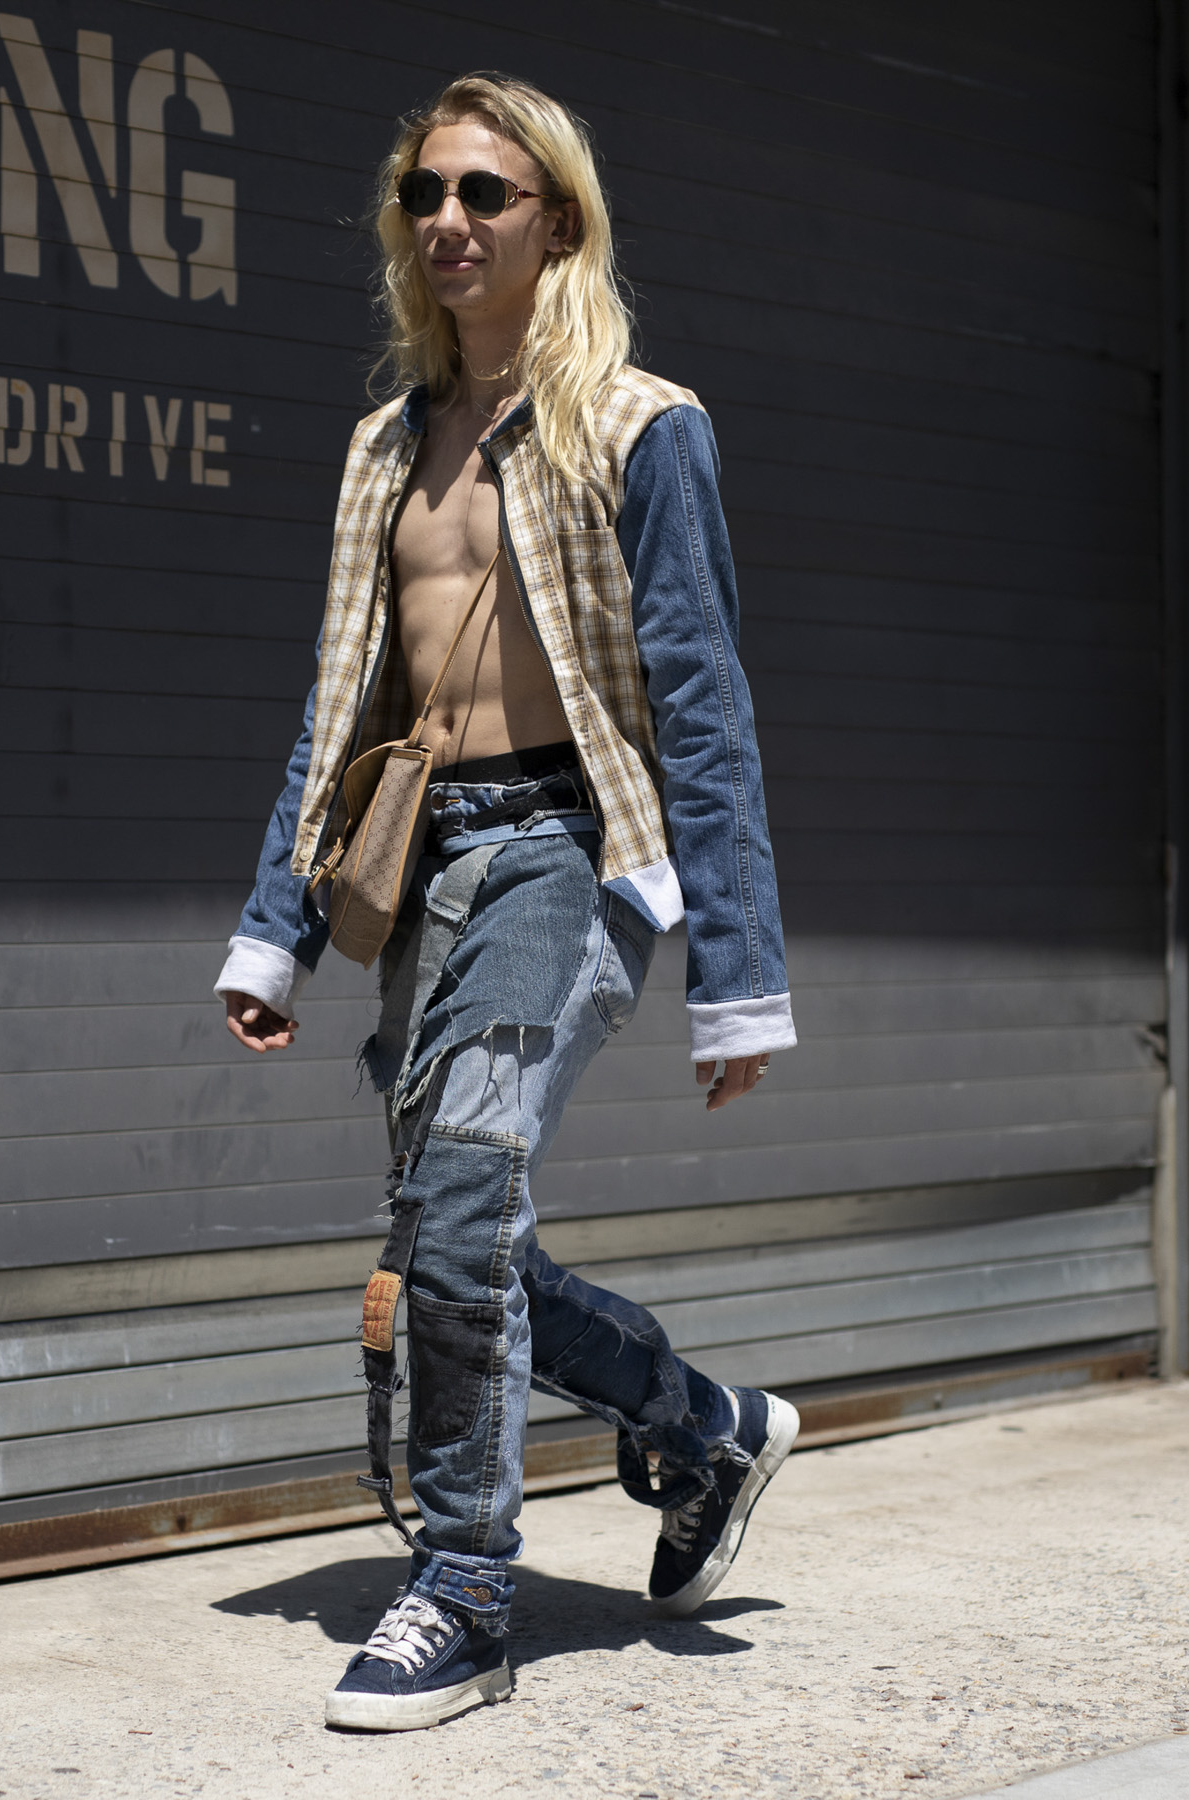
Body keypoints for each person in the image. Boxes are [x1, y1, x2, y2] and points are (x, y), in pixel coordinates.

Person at [213, 72, 800, 1733]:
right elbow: (338, 704)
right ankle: (702, 1428)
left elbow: (703, 703)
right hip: (425, 866)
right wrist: (280, 928)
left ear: (559, 220)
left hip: (569, 848)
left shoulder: (642, 427)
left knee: (463, 1203)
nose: (451, 220)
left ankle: (466, 1587)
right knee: (453, 1238)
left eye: (487, 191)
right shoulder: (383, 451)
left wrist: (737, 974)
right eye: (426, 194)